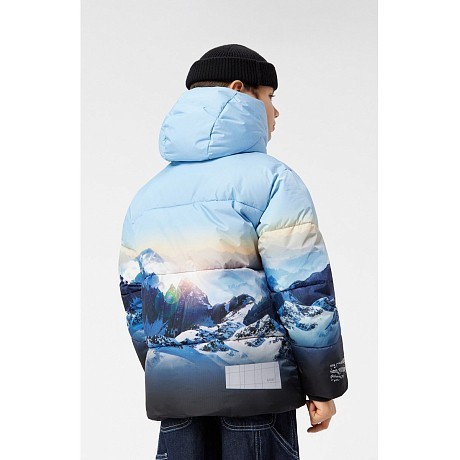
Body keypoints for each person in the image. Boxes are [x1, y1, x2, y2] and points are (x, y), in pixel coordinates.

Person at [118, 43, 348, 459]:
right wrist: (323, 384)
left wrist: (170, 371)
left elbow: (137, 305)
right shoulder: (274, 180)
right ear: (239, 90)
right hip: (258, 389)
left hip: (178, 391)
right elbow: (303, 291)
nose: (276, 111)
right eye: (270, 96)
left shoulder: (146, 196)